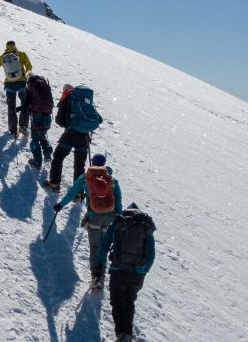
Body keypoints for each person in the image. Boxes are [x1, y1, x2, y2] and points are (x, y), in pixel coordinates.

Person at [53, 154, 122, 287]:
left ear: (92, 162)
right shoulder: (112, 180)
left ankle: (96, 278)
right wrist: (118, 217)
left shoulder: (86, 178)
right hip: (109, 218)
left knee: (94, 247)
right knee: (103, 246)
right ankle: (100, 276)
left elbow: (72, 193)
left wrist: (60, 205)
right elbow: (118, 201)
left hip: (94, 216)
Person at [98, 204, 156, 341]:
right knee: (129, 302)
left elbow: (104, 245)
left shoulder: (119, 222)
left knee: (118, 302)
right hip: (138, 273)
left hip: (118, 270)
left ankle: (121, 334)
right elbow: (151, 255)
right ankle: (127, 334)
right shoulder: (145, 226)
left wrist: (99, 265)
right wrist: (144, 271)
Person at [44, 84, 104, 191]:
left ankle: (54, 184)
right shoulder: (84, 101)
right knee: (79, 165)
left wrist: (70, 122)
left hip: (69, 135)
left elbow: (59, 121)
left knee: (58, 157)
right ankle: (78, 192)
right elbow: (99, 119)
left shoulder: (67, 99)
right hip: (84, 138)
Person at [0, 41, 34, 136]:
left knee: (11, 107)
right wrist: (28, 76)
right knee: (25, 105)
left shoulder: (2, 58)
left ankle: (13, 130)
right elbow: (29, 66)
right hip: (22, 83)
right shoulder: (22, 54)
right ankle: (23, 126)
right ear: (14, 46)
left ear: (6, 47)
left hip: (9, 85)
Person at [24, 74, 56, 168]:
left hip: (37, 115)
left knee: (35, 140)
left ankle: (37, 161)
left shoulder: (31, 87)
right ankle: (47, 152)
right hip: (47, 116)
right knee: (42, 135)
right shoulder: (44, 85)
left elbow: (26, 103)